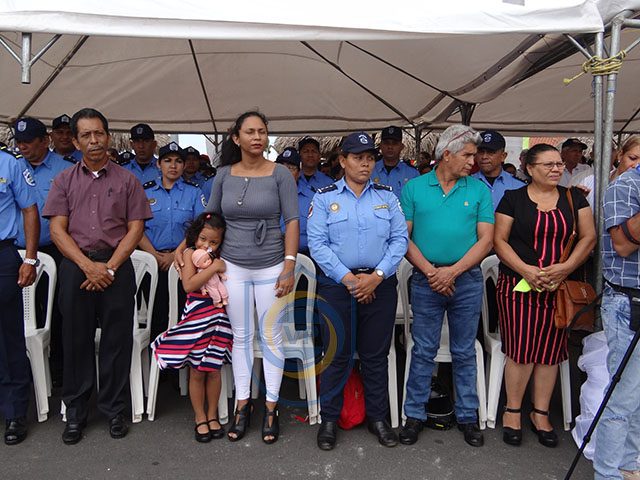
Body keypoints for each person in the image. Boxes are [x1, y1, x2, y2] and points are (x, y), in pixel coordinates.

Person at [177, 111, 299, 444]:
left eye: (262, 131)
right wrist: (185, 248)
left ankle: (271, 407)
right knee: (241, 337)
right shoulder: (223, 175)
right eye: (250, 132)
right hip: (232, 265)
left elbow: (292, 220)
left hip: (272, 264)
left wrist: (289, 265)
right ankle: (242, 404)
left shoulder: (280, 174)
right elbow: (210, 218)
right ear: (236, 138)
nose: (257, 137)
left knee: (271, 336)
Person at [43, 108, 152, 445]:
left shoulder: (127, 180)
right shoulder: (63, 180)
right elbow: (57, 230)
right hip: (76, 266)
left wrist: (110, 267)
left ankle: (114, 409)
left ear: (107, 136)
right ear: (76, 142)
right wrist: (87, 266)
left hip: (116, 266)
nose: (94, 140)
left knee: (116, 341)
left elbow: (136, 229)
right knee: (75, 339)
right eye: (86, 135)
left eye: (99, 133)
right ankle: (76, 412)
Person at [307, 131, 408, 450]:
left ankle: (378, 418)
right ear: (342, 160)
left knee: (375, 355)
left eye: (369, 158)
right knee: (336, 354)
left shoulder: (387, 197)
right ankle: (329, 419)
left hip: (379, 285)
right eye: (357, 158)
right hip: (338, 287)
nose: (365, 164)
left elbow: (400, 240)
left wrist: (376, 276)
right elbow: (317, 245)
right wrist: (351, 280)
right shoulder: (324, 198)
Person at [493, 143, 595, 448]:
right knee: (521, 350)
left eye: (559, 164)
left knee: (551, 352)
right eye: (549, 164)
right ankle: (512, 411)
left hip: (558, 287)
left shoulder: (574, 198)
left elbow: (588, 237)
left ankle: (540, 412)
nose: (556, 169)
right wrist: (526, 270)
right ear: (530, 168)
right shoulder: (513, 199)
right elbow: (500, 241)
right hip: (518, 285)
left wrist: (565, 268)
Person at [398, 124, 494, 448]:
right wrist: (431, 272)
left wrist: (452, 272)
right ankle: (414, 415)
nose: (473, 161)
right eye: (467, 155)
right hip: (426, 280)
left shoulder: (478, 190)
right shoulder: (414, 188)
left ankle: (468, 416)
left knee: (464, 350)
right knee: (423, 349)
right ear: (447, 154)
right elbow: (403, 237)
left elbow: (486, 241)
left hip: (465, 280)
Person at [152, 213, 232, 443]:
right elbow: (189, 285)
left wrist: (217, 263)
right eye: (203, 239)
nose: (207, 245)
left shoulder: (220, 256)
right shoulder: (189, 254)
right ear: (195, 236)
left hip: (218, 318)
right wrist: (214, 268)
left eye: (213, 242)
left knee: (214, 369)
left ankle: (212, 414)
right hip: (196, 318)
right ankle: (200, 417)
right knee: (196, 370)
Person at [14, 116, 76, 385]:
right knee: (24, 311)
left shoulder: (66, 169)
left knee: (61, 310)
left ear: (45, 140)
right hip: (18, 250)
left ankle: (59, 367)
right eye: (19, 142)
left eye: (29, 141)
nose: (23, 147)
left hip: (56, 249)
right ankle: (28, 369)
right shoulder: (13, 167)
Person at [594, 160, 640, 479]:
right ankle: (607, 473)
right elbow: (622, 246)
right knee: (623, 397)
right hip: (628, 301)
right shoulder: (625, 186)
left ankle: (629, 465)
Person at [138, 141, 206, 340]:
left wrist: (176, 254)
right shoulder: (145, 191)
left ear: (184, 166)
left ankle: (180, 356)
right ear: (158, 164)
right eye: (168, 161)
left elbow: (200, 228)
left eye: (178, 161)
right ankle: (157, 356)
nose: (173, 165)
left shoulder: (194, 192)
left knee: (182, 314)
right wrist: (154, 255)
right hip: (152, 261)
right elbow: (136, 228)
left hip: (184, 263)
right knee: (156, 314)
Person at [0, 145, 39, 445]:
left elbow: (29, 210)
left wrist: (29, 259)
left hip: (3, 254)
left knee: (7, 336)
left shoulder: (9, 163)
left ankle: (14, 411)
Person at [472, 130, 525, 210]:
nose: (484, 157)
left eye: (491, 152)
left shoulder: (518, 187)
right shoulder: (465, 184)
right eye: (480, 152)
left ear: (503, 156)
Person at [371, 126, 418, 199]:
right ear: (380, 146)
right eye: (386, 143)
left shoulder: (412, 174)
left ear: (401, 147)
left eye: (394, 143)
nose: (390, 147)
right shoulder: (370, 170)